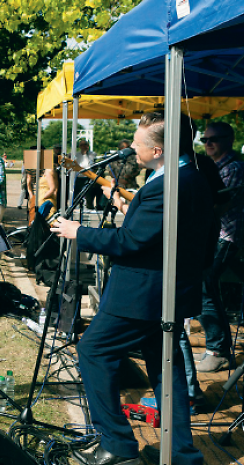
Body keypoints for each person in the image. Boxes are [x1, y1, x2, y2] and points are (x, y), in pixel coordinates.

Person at [51, 111, 213, 465]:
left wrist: (78, 232)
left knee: (94, 351)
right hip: (167, 293)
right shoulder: (192, 177)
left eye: (138, 144)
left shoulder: (170, 185)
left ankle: (119, 445)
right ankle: (181, 452)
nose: (133, 150)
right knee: (163, 369)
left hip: (142, 295)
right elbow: (172, 236)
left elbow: (130, 242)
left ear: (157, 150)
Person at [195, 121, 244, 373]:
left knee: (204, 287)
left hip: (226, 236)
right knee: (206, 289)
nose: (208, 144)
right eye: (204, 140)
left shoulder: (233, 167)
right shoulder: (215, 167)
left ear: (230, 139)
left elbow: (217, 207)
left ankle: (219, 351)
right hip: (216, 235)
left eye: (213, 139)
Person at [74, 139, 100, 209]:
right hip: (79, 176)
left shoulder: (92, 154)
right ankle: (75, 205)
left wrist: (85, 154)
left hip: (89, 175)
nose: (83, 147)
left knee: (89, 191)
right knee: (76, 191)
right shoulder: (76, 155)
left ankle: (89, 205)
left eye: (85, 145)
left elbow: (91, 163)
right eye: (82, 145)